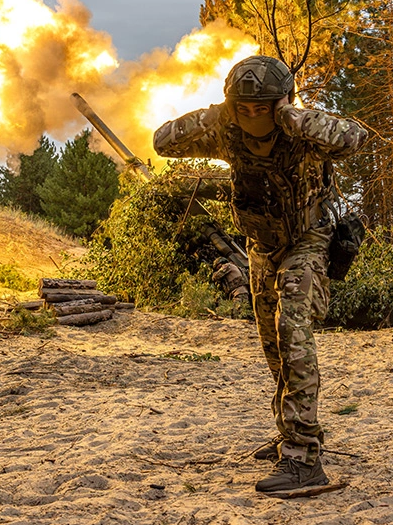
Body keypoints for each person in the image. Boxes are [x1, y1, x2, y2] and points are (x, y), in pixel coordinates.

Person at [153, 55, 366, 493]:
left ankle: (305, 459)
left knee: (293, 333)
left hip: (308, 241)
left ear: (283, 100)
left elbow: (354, 137)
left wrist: (291, 115)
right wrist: (218, 113)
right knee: (272, 345)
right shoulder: (227, 131)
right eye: (244, 108)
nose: (253, 116)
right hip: (262, 248)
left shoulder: (302, 133)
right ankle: (291, 434)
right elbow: (163, 142)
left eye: (263, 107)